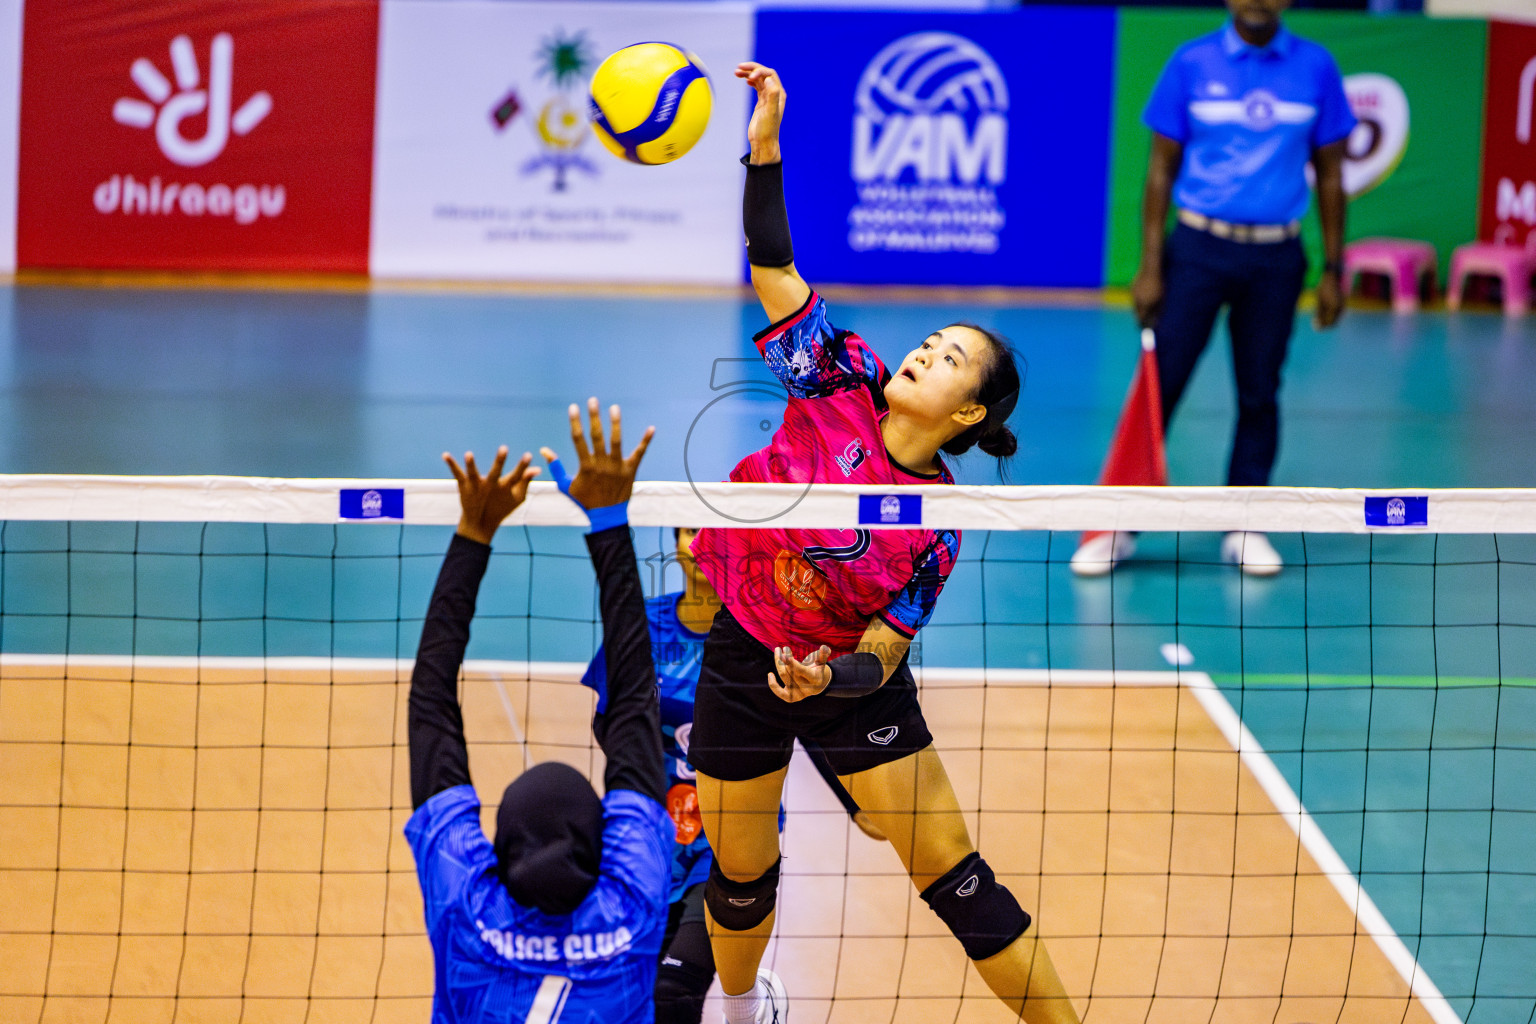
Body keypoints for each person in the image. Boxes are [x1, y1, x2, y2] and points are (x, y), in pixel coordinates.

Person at [683, 62, 1080, 1024]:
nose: (927, 352)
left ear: (969, 412)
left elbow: (882, 652)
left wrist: (830, 679)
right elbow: (775, 270)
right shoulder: (839, 378)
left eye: (952, 360)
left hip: (844, 683)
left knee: (954, 873)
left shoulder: (936, 526)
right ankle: (740, 1012)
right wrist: (765, 148)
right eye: (932, 341)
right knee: (741, 873)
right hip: (745, 648)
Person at [405, 399, 673, 1024]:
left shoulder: (466, 905)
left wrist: (473, 533)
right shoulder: (632, 904)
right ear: (603, 845)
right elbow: (636, 702)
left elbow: (429, 702)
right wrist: (609, 521)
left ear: (497, 849)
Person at [1075, 0, 1355, 577]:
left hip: (1276, 257)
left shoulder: (1317, 67)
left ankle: (1244, 523)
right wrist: (1150, 265)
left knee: (1260, 393)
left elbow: (1331, 174)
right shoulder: (1190, 62)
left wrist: (1334, 269)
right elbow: (1160, 170)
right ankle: (1118, 521)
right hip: (1197, 250)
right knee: (1161, 383)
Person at [580, 527, 884, 1024]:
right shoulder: (643, 627)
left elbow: (807, 726)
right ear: (677, 544)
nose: (700, 541)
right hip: (649, 840)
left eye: (710, 529)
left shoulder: (761, 632)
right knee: (632, 988)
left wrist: (856, 803)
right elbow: (608, 725)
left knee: (674, 991)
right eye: (689, 530)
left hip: (731, 839)